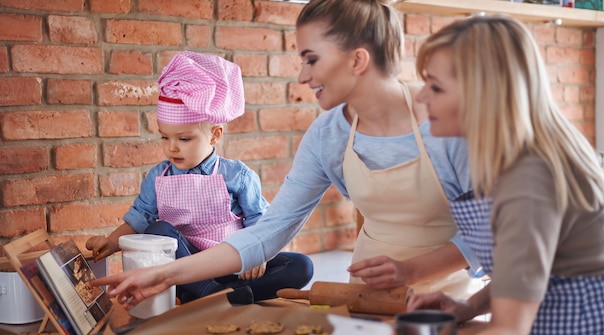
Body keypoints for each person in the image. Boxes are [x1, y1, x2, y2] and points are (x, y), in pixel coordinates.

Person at [308, 14, 604, 335]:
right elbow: (534, 270)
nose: (422, 99)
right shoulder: (517, 161)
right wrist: (470, 307)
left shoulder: (528, 181)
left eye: (436, 88)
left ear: (484, 95)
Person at [91, 0, 484, 312]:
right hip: (368, 293)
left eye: (311, 59)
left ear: (357, 60)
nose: (301, 76)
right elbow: (269, 231)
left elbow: (494, 233)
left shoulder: (445, 117)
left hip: (449, 298)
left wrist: (412, 271)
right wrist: (166, 275)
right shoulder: (328, 135)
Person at [86, 51, 313, 303]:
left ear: (215, 135)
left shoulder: (237, 175)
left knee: (302, 266)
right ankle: (208, 291)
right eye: (164, 137)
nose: (172, 147)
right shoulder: (157, 177)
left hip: (233, 263)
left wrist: (257, 256)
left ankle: (217, 295)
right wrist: (110, 242)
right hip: (186, 267)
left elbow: (260, 222)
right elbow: (139, 219)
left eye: (184, 139)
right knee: (157, 229)